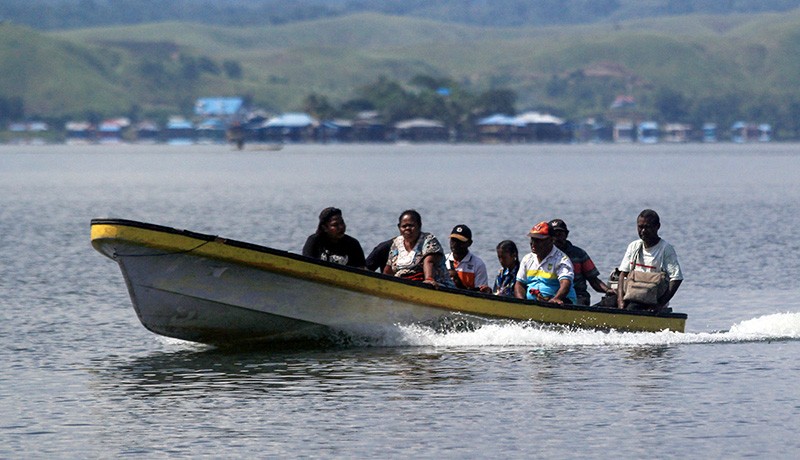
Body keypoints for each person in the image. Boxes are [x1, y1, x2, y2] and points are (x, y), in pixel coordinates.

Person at [617, 209, 683, 311]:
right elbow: (622, 274)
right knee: (603, 304)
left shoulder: (665, 249)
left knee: (631, 308)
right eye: (640, 227)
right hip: (631, 294)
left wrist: (660, 304)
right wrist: (620, 300)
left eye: (647, 227)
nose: (643, 231)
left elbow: (676, 278)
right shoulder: (634, 246)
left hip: (651, 300)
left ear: (657, 227)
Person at [549, 218, 615, 306]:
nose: (557, 238)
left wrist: (608, 290)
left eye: (560, 234)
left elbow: (593, 280)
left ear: (566, 235)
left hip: (578, 295)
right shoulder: (543, 255)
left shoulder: (579, 254)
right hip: (552, 294)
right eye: (554, 235)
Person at [383, 209, 454, 287]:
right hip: (404, 284)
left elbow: (429, 262)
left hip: (436, 285)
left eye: (411, 225)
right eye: (404, 226)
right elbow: (388, 270)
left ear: (419, 225)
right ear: (399, 227)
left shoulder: (428, 240)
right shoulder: (396, 243)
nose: (407, 228)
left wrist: (429, 279)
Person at [514, 221, 577, 304]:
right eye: (532, 239)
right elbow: (520, 284)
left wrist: (556, 298)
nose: (533, 243)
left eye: (538, 240)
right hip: (533, 303)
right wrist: (521, 302)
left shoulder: (562, 260)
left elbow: (565, 283)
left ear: (551, 240)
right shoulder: (527, 259)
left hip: (561, 303)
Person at [445, 224, 491, 293]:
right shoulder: (443, 260)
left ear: (469, 243)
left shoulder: (478, 264)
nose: (454, 244)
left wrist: (458, 282)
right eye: (453, 240)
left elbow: (480, 294)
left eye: (460, 241)